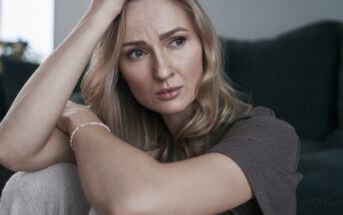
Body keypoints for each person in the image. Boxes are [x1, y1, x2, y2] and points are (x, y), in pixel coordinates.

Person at [0, 0, 302, 214]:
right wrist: (97, 15)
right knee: (37, 184)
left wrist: (79, 118)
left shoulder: (269, 137)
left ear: (205, 47)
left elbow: (131, 203)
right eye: (137, 53)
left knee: (114, 186)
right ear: (119, 69)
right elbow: (13, 147)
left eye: (176, 42)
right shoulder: (120, 134)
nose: (162, 71)